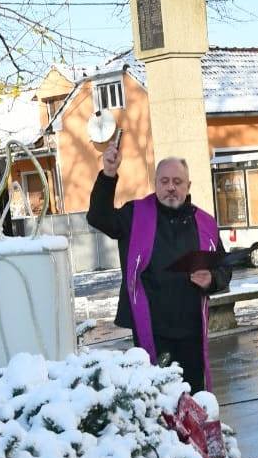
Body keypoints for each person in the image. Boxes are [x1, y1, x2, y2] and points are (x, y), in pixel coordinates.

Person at [87, 143, 231, 393]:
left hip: (192, 330)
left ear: (188, 186)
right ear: (156, 184)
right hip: (151, 328)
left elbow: (223, 268)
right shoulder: (135, 214)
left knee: (193, 397)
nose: (171, 187)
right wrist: (109, 174)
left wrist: (212, 280)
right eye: (164, 181)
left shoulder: (205, 222)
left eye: (177, 181)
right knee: (159, 400)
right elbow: (99, 217)